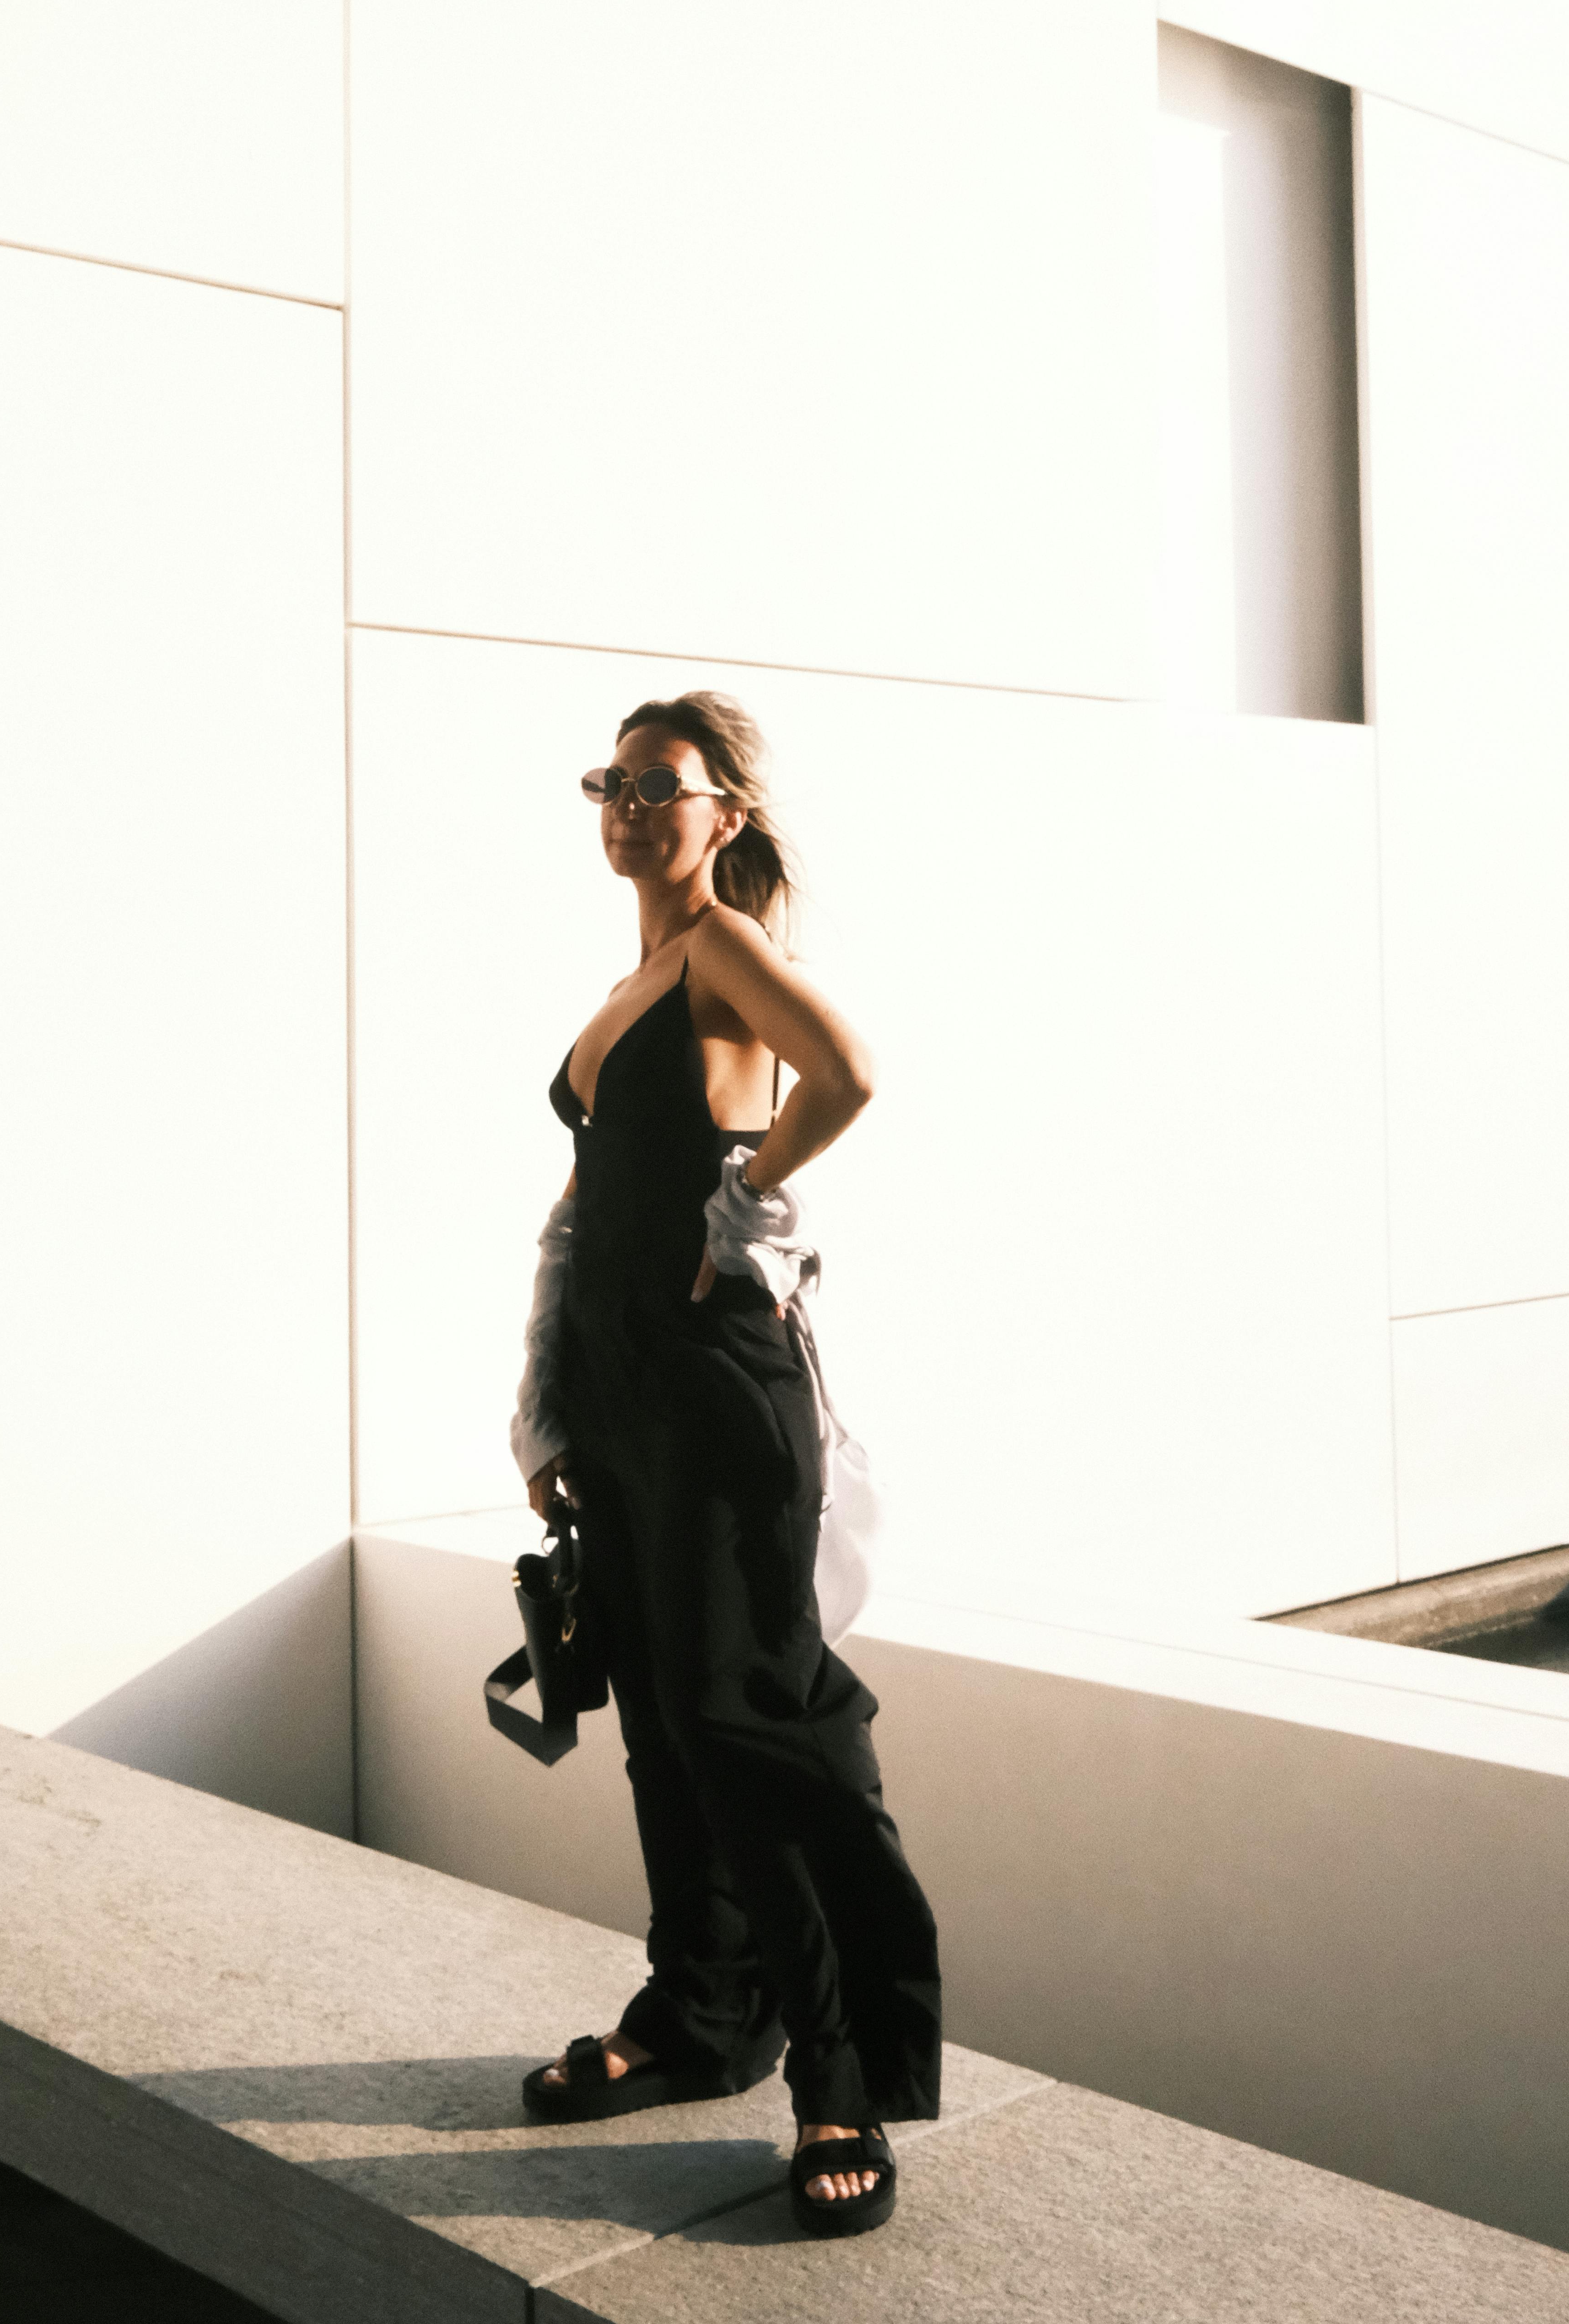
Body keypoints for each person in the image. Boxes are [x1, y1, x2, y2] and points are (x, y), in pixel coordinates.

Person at [510, 689, 941, 2239]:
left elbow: (850, 1073)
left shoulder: (724, 952)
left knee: (752, 1723)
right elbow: (583, 1209)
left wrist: (743, 1203)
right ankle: (702, 2017)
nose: (629, 808)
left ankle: (839, 2079)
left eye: (660, 787)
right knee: (664, 1726)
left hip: (716, 1389)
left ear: (726, 815)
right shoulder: (633, 980)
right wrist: (551, 1409)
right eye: (610, 785)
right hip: (624, 1397)